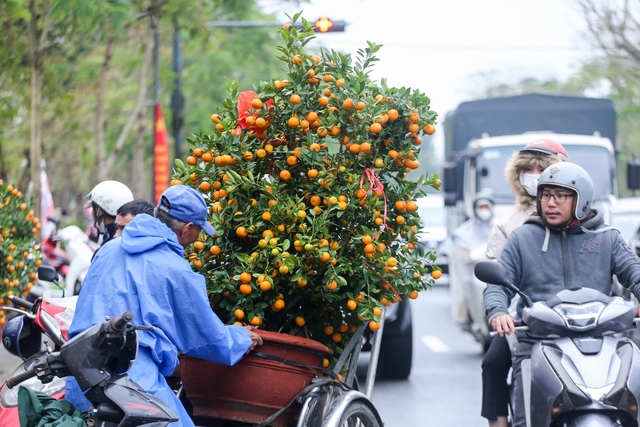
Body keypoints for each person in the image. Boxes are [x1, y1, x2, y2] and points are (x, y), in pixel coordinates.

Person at [65, 185, 263, 427]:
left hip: (79, 377)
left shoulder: (108, 249)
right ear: (188, 229)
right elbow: (204, 335)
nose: (198, 238)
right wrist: (240, 338)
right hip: (130, 382)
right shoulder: (174, 268)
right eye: (199, 230)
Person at [484, 162, 640, 427]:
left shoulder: (607, 237)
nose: (550, 203)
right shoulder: (523, 238)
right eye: (545, 195)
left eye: (560, 196)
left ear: (581, 200)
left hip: (601, 339)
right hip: (538, 342)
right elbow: (498, 281)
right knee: (526, 419)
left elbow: (634, 273)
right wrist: (498, 311)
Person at [481, 139, 568, 427]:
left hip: (580, 317)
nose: (533, 174)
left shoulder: (589, 226)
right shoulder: (510, 223)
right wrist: (501, 312)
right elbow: (498, 275)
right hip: (527, 319)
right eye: (526, 169)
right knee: (493, 364)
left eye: (539, 169)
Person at [450, 191, 495, 331]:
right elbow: (462, 256)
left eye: (486, 207)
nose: (484, 211)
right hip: (474, 273)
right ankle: (480, 325)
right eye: (481, 208)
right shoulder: (464, 231)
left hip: (496, 270)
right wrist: (473, 257)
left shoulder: (500, 227)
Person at [86, 180, 135, 247]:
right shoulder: (130, 236)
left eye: (94, 209)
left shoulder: (111, 240)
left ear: (100, 211)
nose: (92, 213)